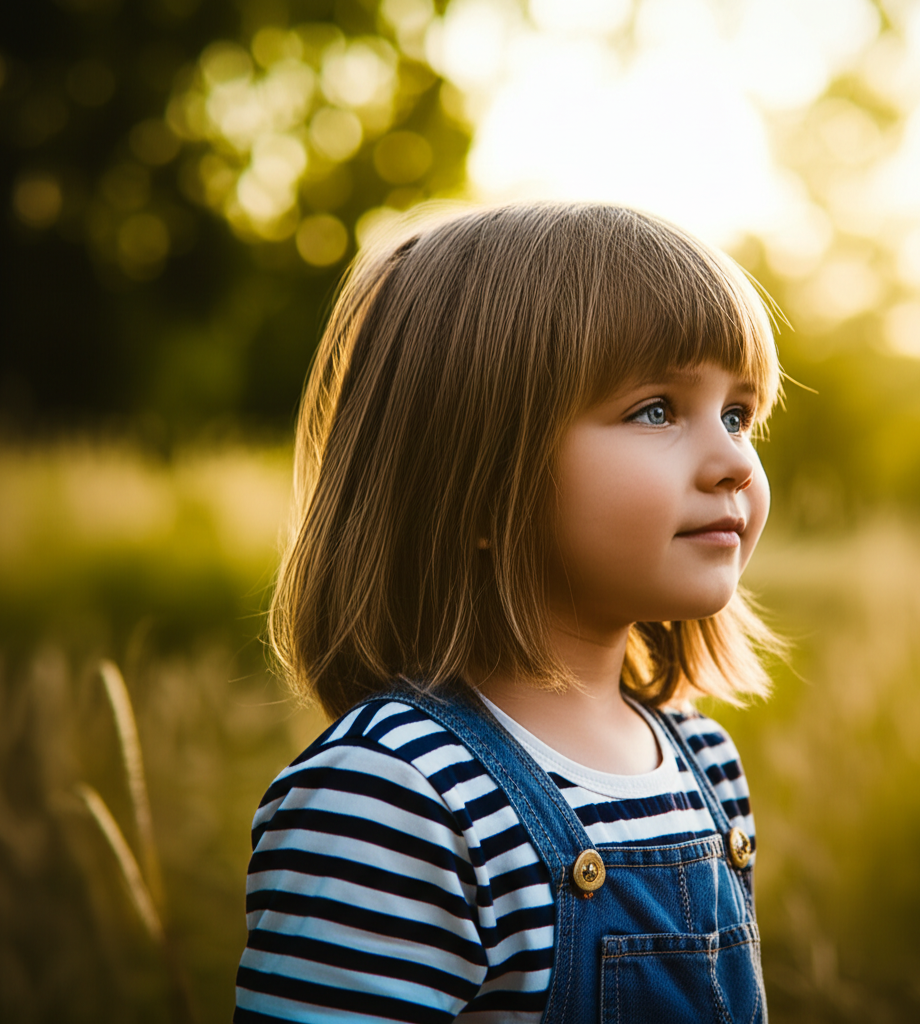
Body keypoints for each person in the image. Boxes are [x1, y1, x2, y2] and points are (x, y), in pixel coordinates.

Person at [234, 202, 783, 1023]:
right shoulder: (395, 795)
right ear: (480, 479)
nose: (735, 461)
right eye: (658, 410)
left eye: (739, 415)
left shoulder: (703, 757)